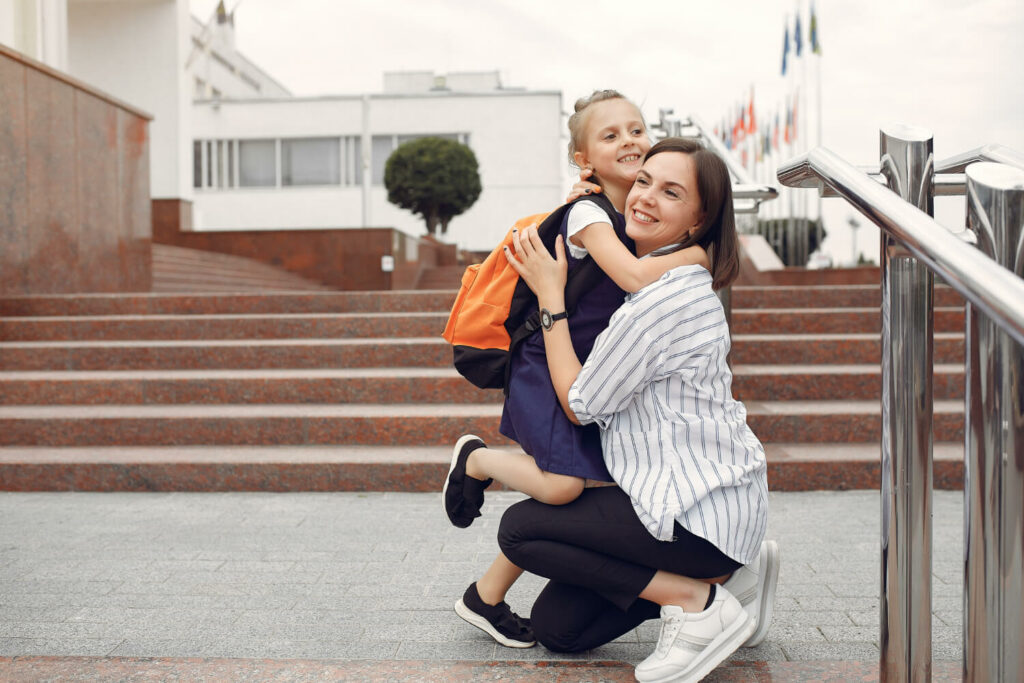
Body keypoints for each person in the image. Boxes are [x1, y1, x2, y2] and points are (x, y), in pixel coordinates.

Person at [498, 137, 773, 682]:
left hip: (693, 514)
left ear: (697, 222)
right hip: (713, 506)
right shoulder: (673, 281)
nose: (645, 197)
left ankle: (699, 601)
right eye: (643, 181)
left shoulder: (658, 301)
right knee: (559, 629)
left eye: (671, 192)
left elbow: (579, 405)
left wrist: (551, 299)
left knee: (521, 530)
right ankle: (731, 580)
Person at [442, 91, 711, 648]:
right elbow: (637, 278)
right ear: (584, 159)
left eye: (637, 129)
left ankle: (484, 597)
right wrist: (701, 256)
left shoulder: (619, 213)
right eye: (610, 136)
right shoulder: (589, 215)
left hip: (584, 372)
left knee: (582, 492)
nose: (630, 141)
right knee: (564, 486)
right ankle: (477, 459)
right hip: (545, 367)